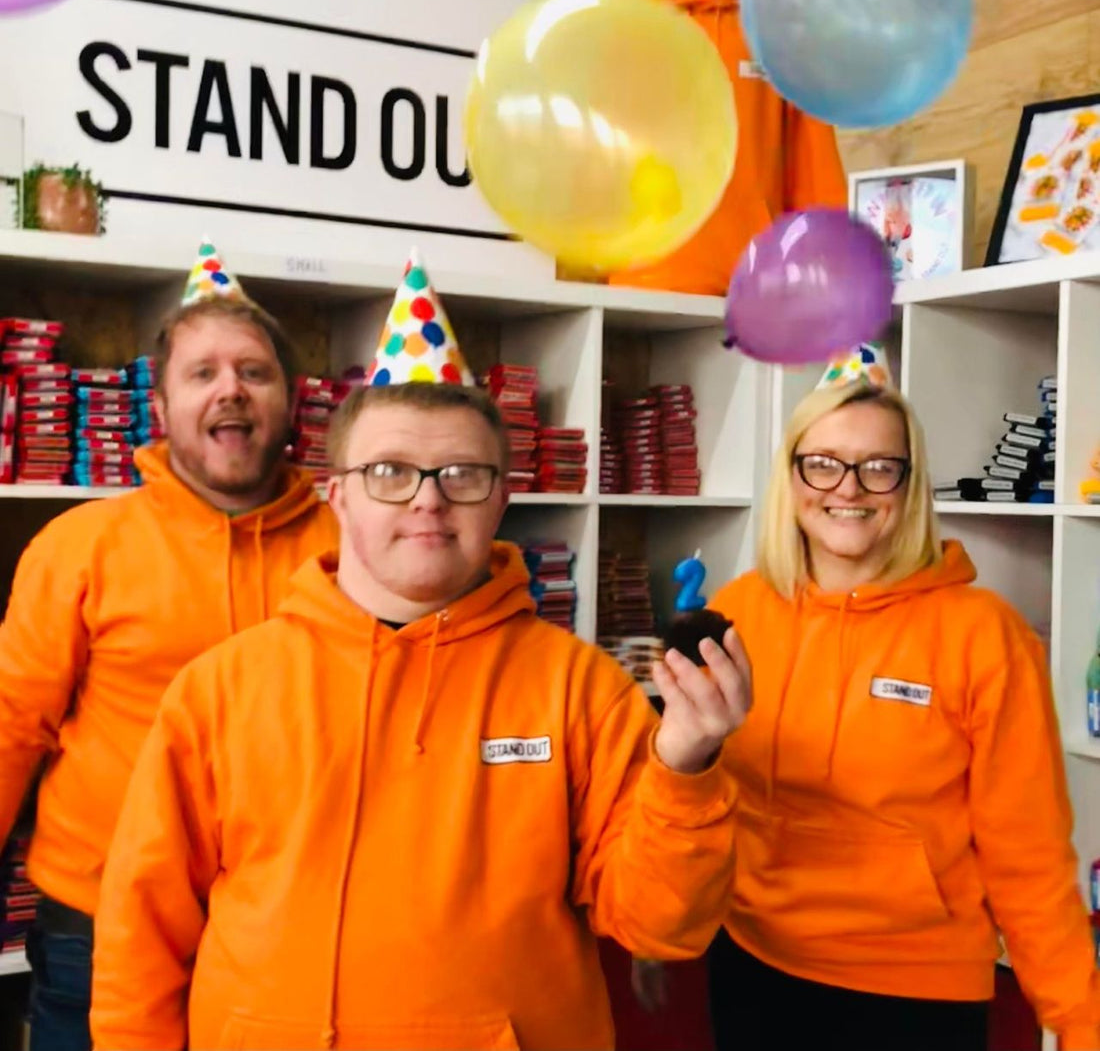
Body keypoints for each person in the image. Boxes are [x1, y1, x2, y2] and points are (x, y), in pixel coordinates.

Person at [90, 380, 753, 1051]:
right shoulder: (220, 688)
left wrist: (685, 766)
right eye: (390, 472)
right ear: (338, 495)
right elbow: (140, 934)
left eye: (462, 474)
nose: (428, 497)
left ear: (501, 499)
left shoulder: (580, 687)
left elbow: (658, 925)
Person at [638, 356, 1100, 1051]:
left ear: (909, 485)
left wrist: (1079, 1017)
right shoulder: (738, 613)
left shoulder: (984, 635)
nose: (847, 489)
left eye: (878, 467)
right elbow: (685, 792)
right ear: (791, 477)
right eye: (823, 463)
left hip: (917, 988)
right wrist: (655, 919)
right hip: (752, 962)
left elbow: (1028, 853)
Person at [0, 250, 337, 1051]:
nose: (231, 389)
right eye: (203, 373)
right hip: (98, 915)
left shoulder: (354, 543)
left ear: (289, 403)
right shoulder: (80, 546)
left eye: (255, 372)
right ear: (159, 404)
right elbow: (12, 723)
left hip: (294, 912)